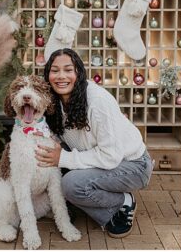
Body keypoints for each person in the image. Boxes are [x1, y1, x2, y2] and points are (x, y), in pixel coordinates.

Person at [35, 49, 151, 238]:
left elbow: (110, 156)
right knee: (53, 160)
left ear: (79, 72)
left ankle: (122, 203)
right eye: (54, 70)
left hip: (132, 164)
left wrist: (64, 158)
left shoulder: (97, 102)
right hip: (98, 157)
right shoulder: (54, 101)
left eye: (68, 70)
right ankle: (78, 201)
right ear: (48, 74)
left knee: (71, 185)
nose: (61, 76)